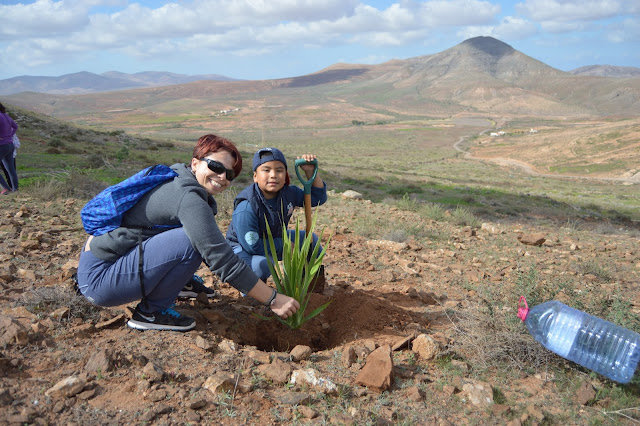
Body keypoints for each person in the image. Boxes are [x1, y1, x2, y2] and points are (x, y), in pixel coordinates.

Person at [76, 134, 300, 331]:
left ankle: (179, 284)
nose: (223, 177)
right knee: (192, 240)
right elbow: (220, 258)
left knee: (194, 235)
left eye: (230, 174)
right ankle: (151, 312)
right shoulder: (189, 199)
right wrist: (273, 298)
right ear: (195, 163)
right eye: (216, 167)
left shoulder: (177, 178)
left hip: (106, 264)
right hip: (101, 281)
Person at [226, 147, 327, 286]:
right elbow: (252, 246)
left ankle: (307, 284)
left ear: (285, 174)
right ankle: (251, 294)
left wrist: (311, 173)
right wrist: (285, 245)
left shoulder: (288, 193)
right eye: (266, 170)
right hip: (242, 248)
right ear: (255, 176)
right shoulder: (247, 207)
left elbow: (317, 198)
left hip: (272, 238)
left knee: (310, 241)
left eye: (279, 170)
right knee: (261, 265)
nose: (273, 175)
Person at [0, 102, 19, 195]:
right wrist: (9, 136)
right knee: (11, 169)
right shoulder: (5, 115)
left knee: (10, 169)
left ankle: (6, 189)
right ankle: (15, 190)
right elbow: (15, 126)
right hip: (10, 144)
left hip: (1, 145)